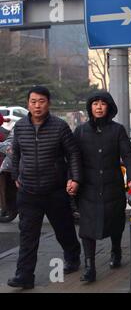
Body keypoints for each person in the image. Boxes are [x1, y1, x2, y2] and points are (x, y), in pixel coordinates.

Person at [8, 86, 82, 289]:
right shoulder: (21, 127)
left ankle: (72, 255)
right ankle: (24, 275)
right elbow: (16, 153)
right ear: (28, 104)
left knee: (64, 229)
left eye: (41, 101)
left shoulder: (60, 126)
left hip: (55, 190)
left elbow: (73, 154)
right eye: (33, 101)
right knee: (27, 235)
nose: (37, 105)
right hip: (28, 191)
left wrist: (74, 178)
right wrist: (16, 174)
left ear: (48, 103)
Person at [73, 92, 131, 283]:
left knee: (115, 222)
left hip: (112, 185)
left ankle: (116, 250)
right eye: (95, 103)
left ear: (109, 107)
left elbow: (128, 155)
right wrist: (72, 180)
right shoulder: (81, 131)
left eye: (103, 103)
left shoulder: (117, 130)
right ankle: (89, 267)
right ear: (90, 107)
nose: (99, 107)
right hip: (88, 187)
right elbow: (73, 159)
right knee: (87, 227)